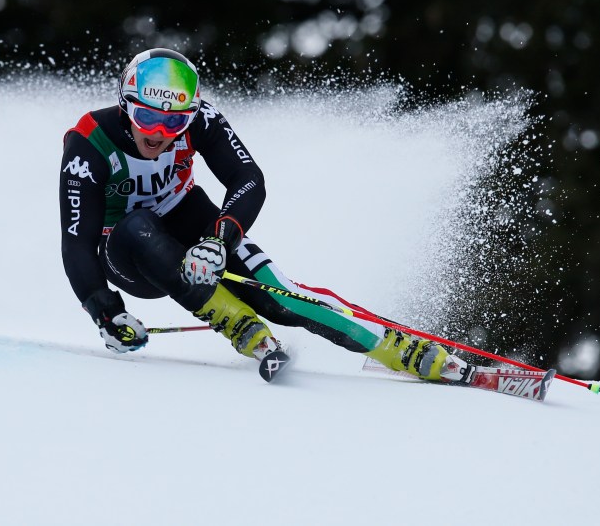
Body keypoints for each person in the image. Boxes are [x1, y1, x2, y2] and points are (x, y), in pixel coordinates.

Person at [59, 47, 472, 383]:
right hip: (127, 257)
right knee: (138, 226)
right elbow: (77, 240)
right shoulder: (89, 143)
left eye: (175, 122)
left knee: (280, 297)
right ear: (125, 105)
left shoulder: (202, 119)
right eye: (148, 117)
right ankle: (236, 323)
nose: (159, 133)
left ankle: (407, 349)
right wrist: (105, 310)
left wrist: (218, 241)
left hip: (189, 219)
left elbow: (248, 178)